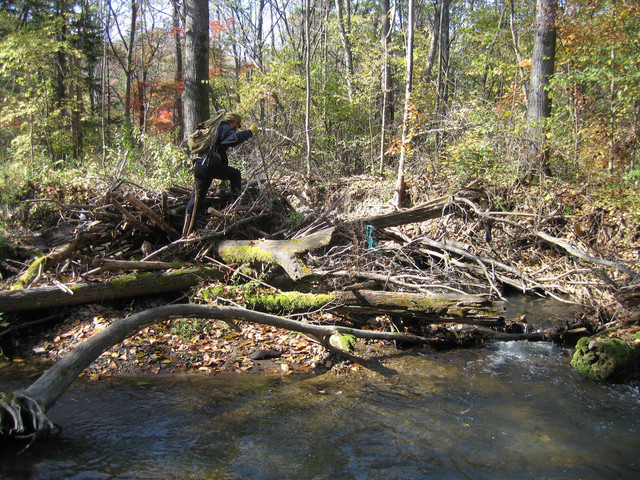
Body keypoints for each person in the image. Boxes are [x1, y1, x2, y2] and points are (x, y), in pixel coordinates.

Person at [185, 112, 258, 218]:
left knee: (196, 198)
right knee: (235, 174)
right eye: (238, 125)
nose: (238, 128)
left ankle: (189, 228)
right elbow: (234, 139)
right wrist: (250, 132)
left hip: (200, 165)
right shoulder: (224, 127)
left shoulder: (215, 129)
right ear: (234, 122)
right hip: (210, 164)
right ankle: (235, 207)